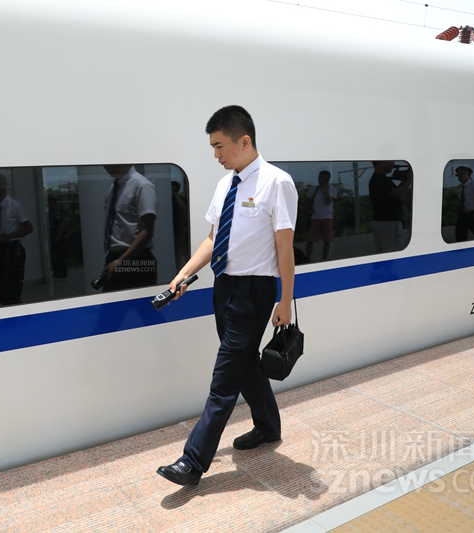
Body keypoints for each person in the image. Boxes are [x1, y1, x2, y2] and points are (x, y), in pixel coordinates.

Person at [156, 105, 297, 487]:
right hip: (224, 287)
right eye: (213, 147)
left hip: (255, 291)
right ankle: (268, 426)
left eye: (219, 146)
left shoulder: (277, 183)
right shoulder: (226, 185)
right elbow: (212, 238)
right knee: (244, 363)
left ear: (244, 141)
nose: (215, 154)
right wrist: (183, 275)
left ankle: (192, 462)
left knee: (224, 378)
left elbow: (285, 248)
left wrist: (285, 301)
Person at [98, 164, 158, 291]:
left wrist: (121, 262)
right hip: (116, 256)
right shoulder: (115, 186)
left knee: (140, 302)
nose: (106, 166)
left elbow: (147, 231)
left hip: (136, 257)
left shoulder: (142, 185)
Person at [0, 173, 33, 304]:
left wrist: (8, 237)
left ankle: (18, 311)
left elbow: (29, 228)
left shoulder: (15, 206)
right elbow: (2, 229)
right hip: (0, 250)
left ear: (2, 188)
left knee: (11, 289)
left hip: (12, 251)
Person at [369, 161, 412, 253]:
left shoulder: (376, 179)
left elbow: (395, 190)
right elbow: (396, 193)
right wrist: (409, 181)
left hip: (381, 221)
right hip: (388, 223)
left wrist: (405, 181)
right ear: (381, 163)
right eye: (390, 161)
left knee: (383, 252)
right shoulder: (380, 180)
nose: (393, 164)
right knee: (392, 252)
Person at [305, 170, 337, 261]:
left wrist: (325, 189)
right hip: (315, 217)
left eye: (322, 178)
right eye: (319, 178)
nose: (320, 180)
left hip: (327, 217)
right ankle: (307, 258)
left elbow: (328, 201)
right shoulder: (315, 189)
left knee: (327, 240)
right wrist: (308, 210)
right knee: (310, 240)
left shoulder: (332, 189)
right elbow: (306, 198)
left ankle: (324, 258)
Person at [454, 165, 474, 242]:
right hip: (463, 214)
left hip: (472, 213)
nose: (459, 178)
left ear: (468, 175)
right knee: (460, 236)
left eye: (461, 175)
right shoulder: (461, 188)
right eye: (458, 176)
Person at [48, 196, 67, 278]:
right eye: (49, 204)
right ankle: (57, 270)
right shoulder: (50, 213)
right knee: (52, 254)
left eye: (52, 203)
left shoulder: (56, 212)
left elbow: (61, 224)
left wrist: (58, 236)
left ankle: (62, 271)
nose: (50, 205)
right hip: (52, 235)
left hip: (56, 235)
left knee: (59, 254)